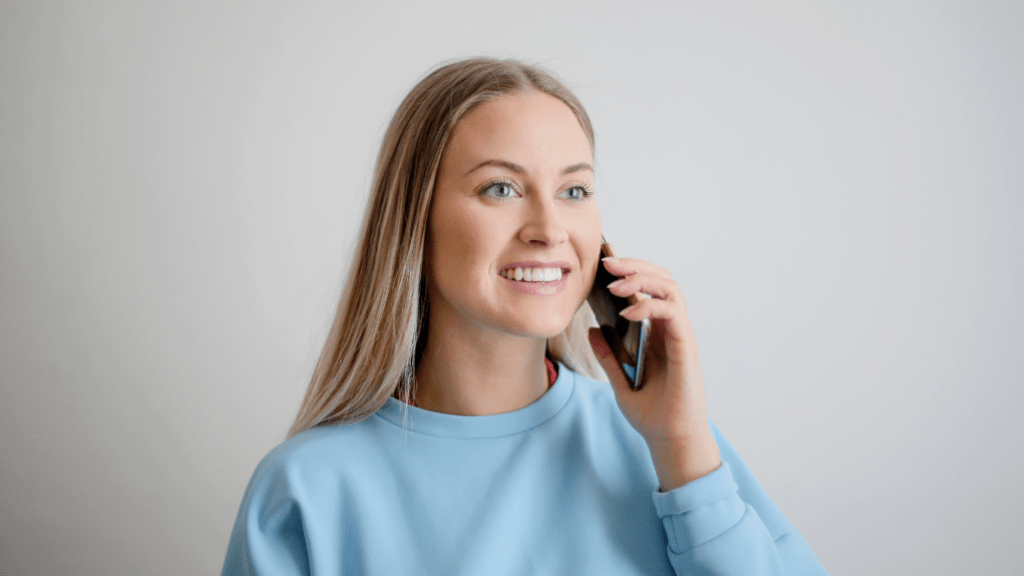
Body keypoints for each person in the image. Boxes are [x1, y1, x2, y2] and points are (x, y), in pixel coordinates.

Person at [221, 56, 829, 575]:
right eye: (501, 189)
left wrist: (681, 449)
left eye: (574, 191)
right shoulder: (304, 492)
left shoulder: (671, 446)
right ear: (414, 221)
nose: (548, 230)